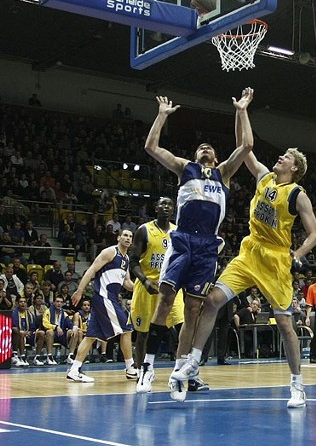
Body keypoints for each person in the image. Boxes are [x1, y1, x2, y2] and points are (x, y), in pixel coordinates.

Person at [168, 120, 316, 407]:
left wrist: (297, 254)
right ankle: (195, 362)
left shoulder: (298, 194)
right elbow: (244, 148)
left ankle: (297, 385)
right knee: (211, 301)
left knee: (286, 325)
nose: (280, 157)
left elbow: (314, 234)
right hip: (250, 252)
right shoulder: (263, 177)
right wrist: (241, 111)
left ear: (294, 168)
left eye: (285, 156)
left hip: (275, 260)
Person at [140, 89, 254, 400]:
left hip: (207, 246)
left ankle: (180, 374)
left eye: (209, 148)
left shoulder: (224, 173)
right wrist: (161, 116)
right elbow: (151, 146)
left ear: (215, 158)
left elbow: (247, 145)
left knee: (193, 309)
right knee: (165, 302)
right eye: (200, 148)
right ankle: (147, 367)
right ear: (195, 156)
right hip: (182, 241)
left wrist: (241, 110)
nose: (204, 149)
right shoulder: (183, 168)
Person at [129, 197, 196, 392]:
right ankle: (143, 373)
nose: (165, 207)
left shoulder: (178, 232)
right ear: (155, 208)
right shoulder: (144, 230)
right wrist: (144, 280)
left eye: (169, 205)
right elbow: (133, 261)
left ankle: (183, 374)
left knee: (183, 328)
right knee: (143, 334)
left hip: (171, 287)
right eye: (162, 204)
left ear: (174, 209)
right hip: (147, 287)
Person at [67, 230, 136, 383]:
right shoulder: (110, 252)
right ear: (118, 238)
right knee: (127, 329)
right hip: (104, 297)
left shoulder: (126, 258)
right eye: (125, 235)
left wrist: (142, 285)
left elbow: (127, 283)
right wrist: (79, 290)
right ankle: (130, 368)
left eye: (130, 236)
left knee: (91, 336)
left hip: (108, 299)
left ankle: (74, 370)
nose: (127, 238)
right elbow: (91, 270)